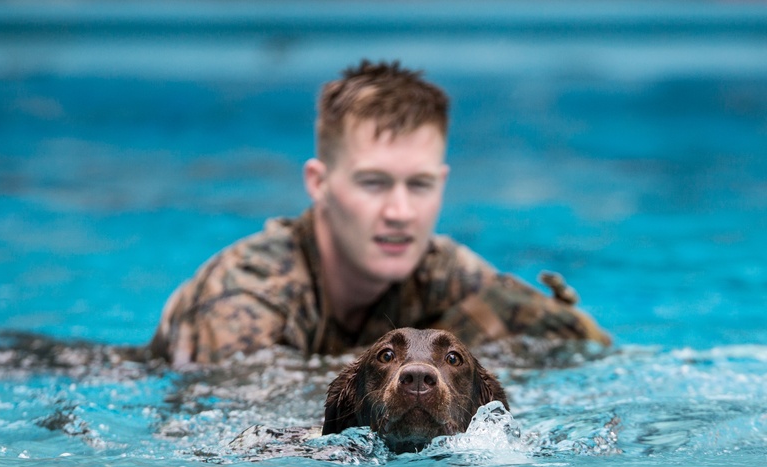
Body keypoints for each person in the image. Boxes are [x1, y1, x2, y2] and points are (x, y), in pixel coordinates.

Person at [148, 60, 610, 367]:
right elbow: (251, 441)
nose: (401, 212)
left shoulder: (445, 275)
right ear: (319, 184)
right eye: (374, 183)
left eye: (420, 185)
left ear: (442, 185)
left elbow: (594, 356)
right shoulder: (247, 294)